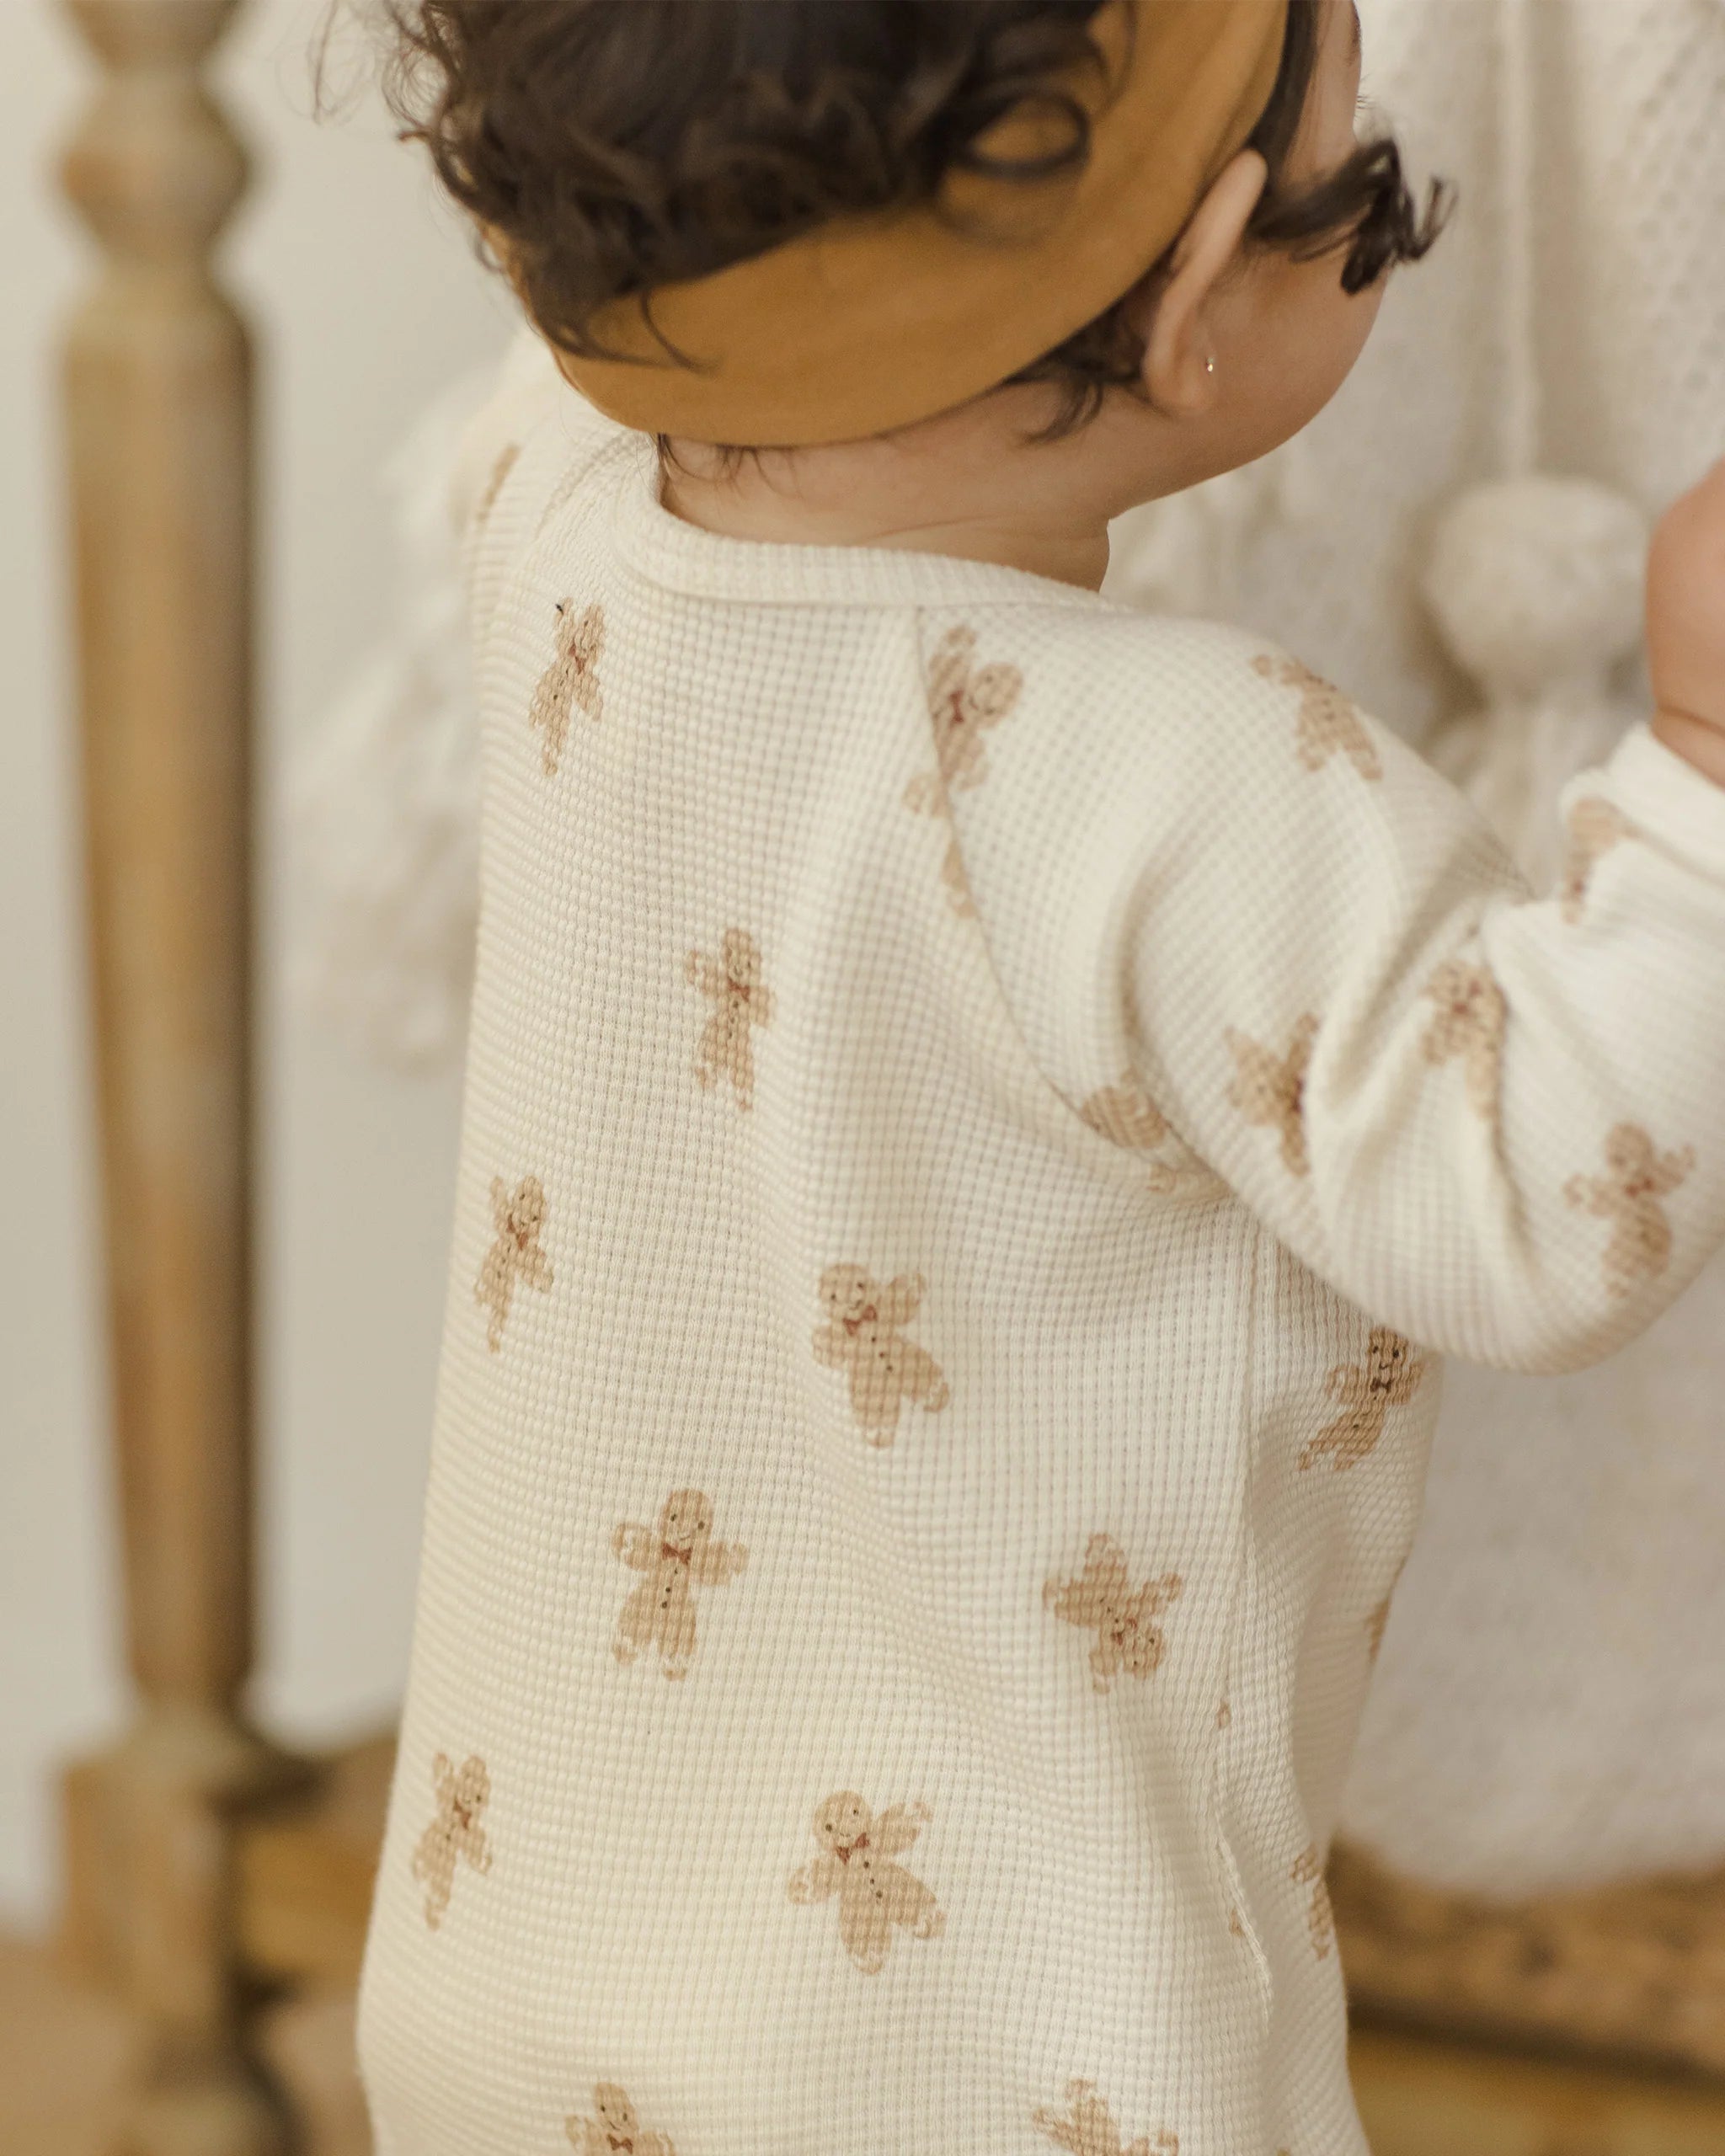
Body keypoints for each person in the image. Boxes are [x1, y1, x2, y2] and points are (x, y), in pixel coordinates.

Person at [350, 3, 1725, 2151]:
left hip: (508, 1992)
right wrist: (1702, 770)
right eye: (1366, 194)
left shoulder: (547, 522)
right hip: (1019, 2068)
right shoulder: (1184, 783)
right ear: (1193, 315)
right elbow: (1550, 1197)